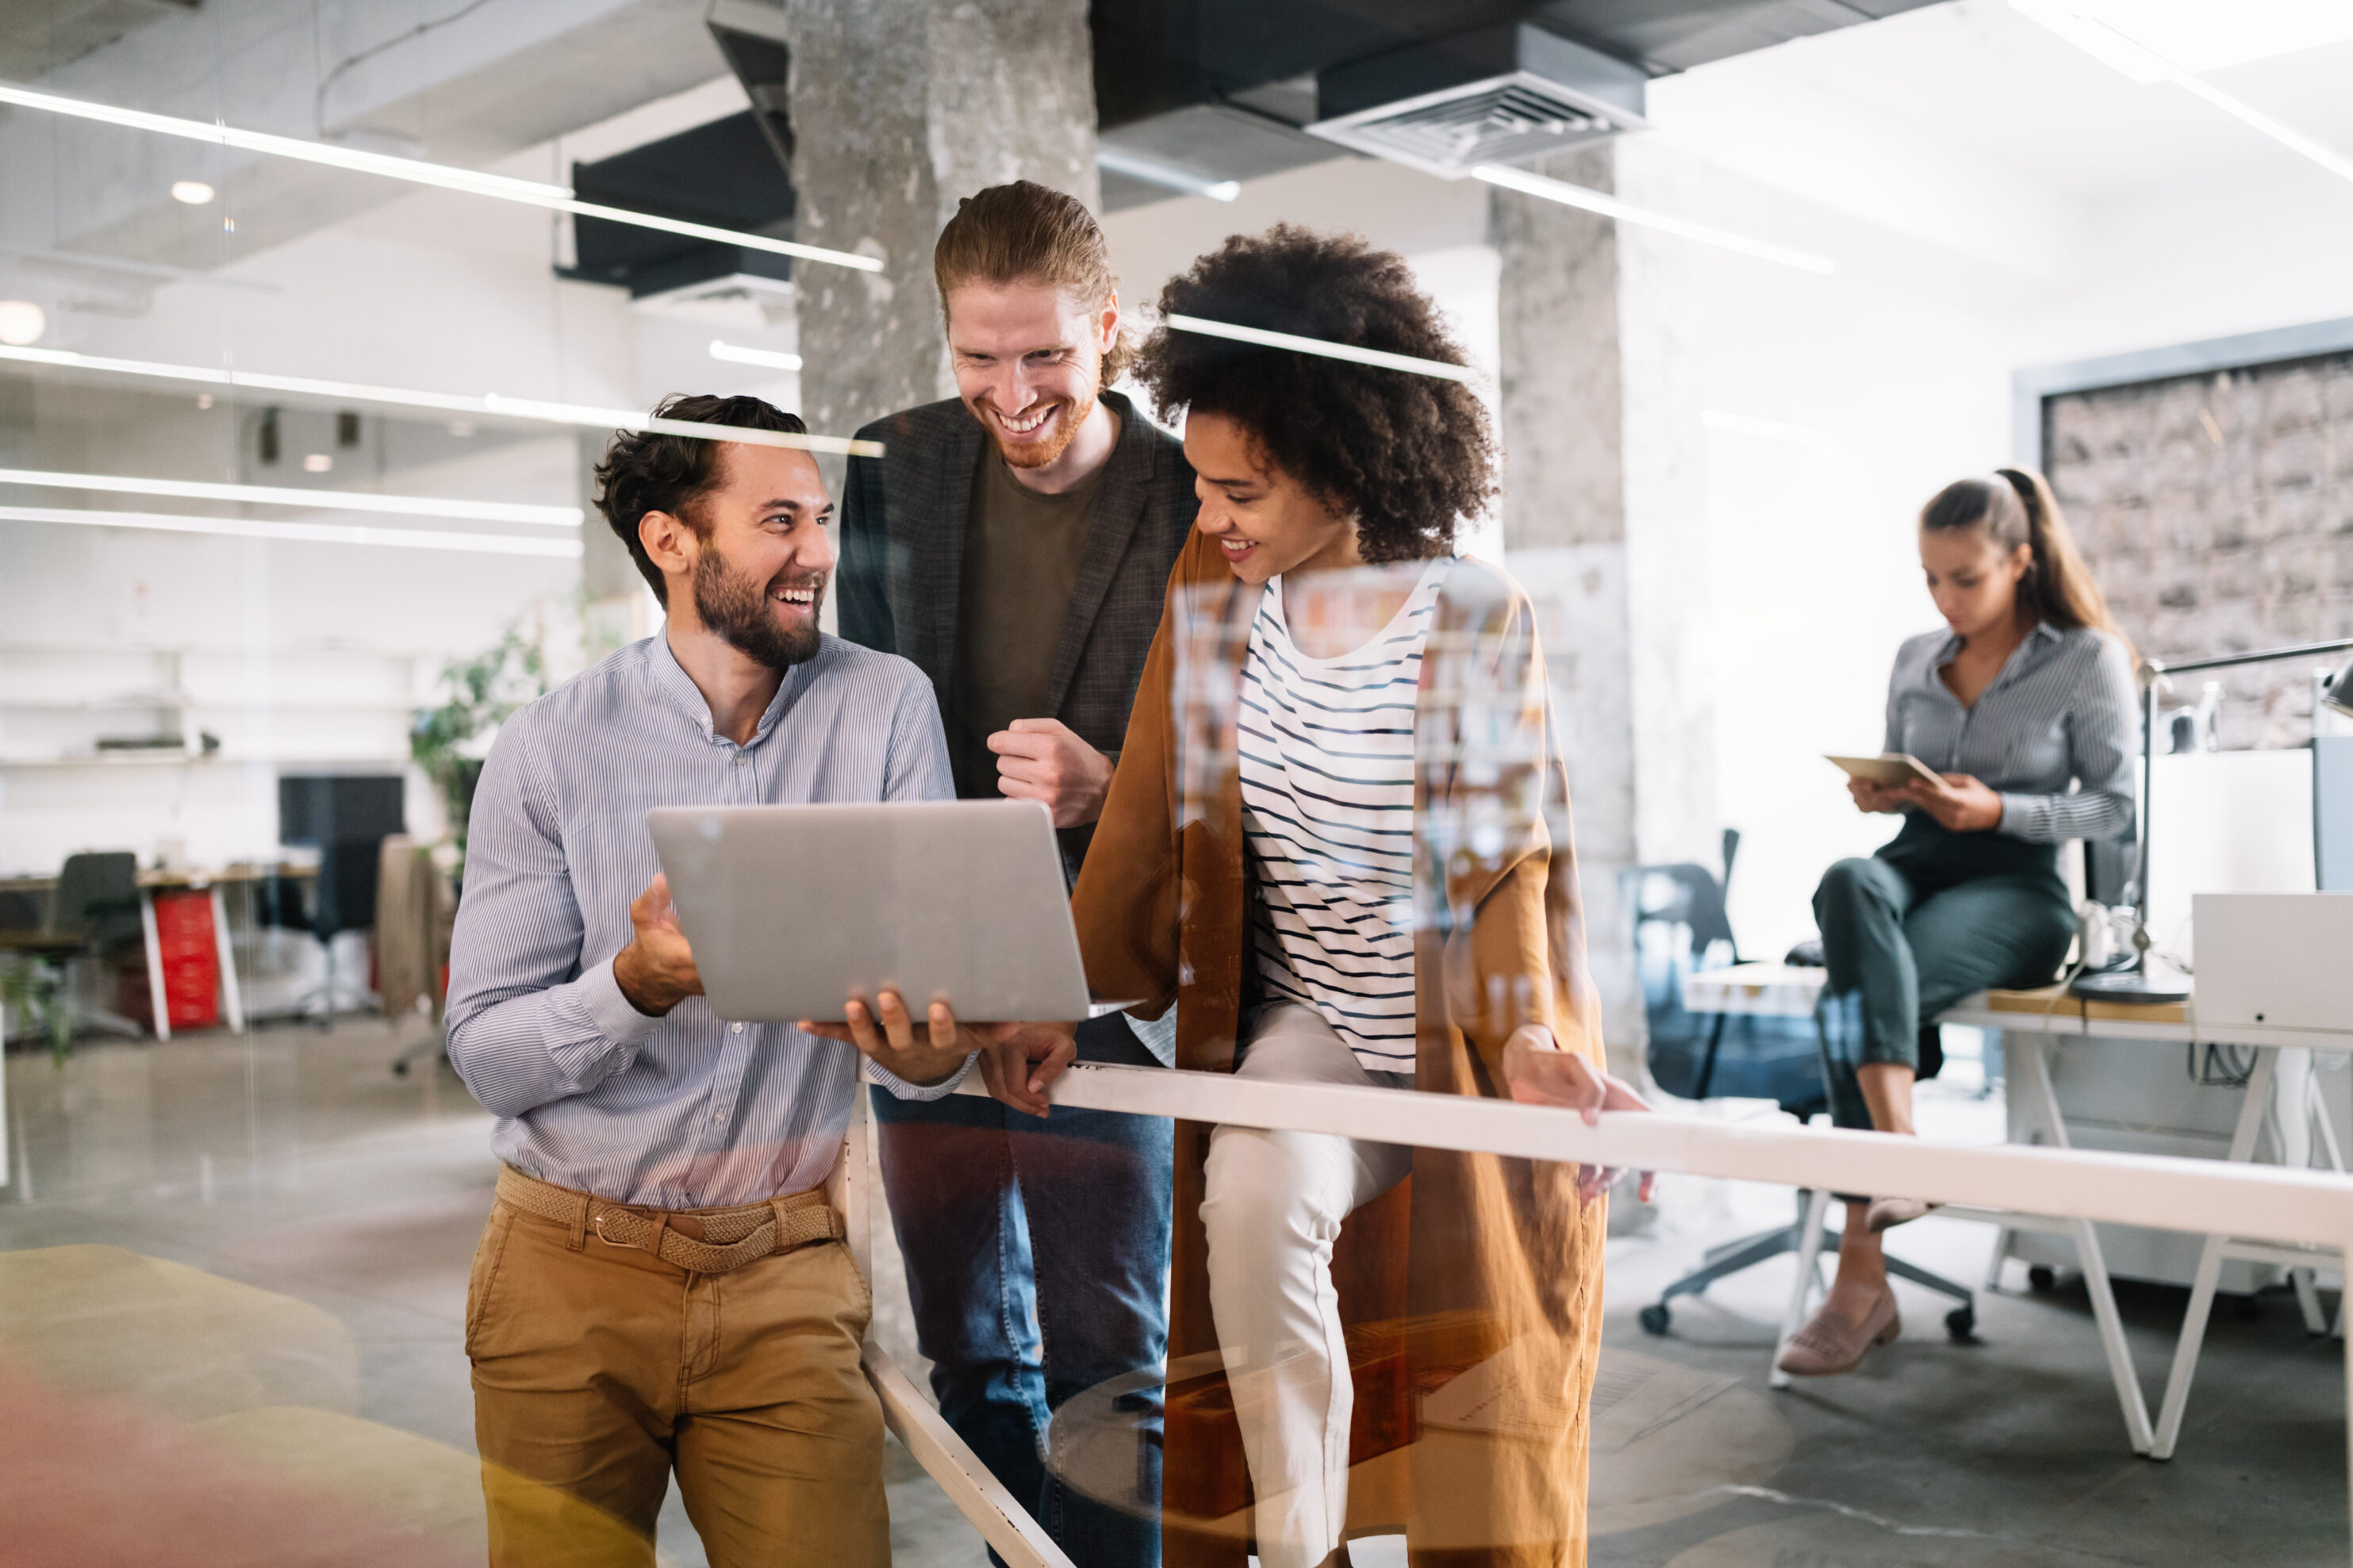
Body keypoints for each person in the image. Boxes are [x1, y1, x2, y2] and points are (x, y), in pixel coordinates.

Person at [988, 226, 1645, 1568]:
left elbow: (1507, 859)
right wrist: (1058, 991)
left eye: (1244, 491)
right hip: (1316, 1024)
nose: (1213, 516)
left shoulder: (1469, 610)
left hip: (1451, 1038)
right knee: (1249, 1200)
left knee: (1487, 1379)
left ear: (1345, 469)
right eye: (1203, 483)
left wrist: (1535, 1043)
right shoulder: (1214, 595)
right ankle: (1298, 1550)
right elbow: (1149, 825)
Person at [444, 393, 995, 1568]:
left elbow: (931, 1041)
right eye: (779, 521)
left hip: (784, 1272)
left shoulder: (887, 705)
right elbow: (485, 1051)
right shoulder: (550, 748)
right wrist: (635, 982)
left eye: (824, 519)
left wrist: (924, 1041)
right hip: (567, 1271)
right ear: (672, 542)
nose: (817, 555)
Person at [835, 180, 1196, 1566]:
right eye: (979, 356)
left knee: (1109, 1352)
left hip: (1103, 969)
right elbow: (847, 705)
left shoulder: (1185, 492)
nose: (1013, 390)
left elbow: (1240, 751)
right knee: (964, 1343)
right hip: (931, 961)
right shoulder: (892, 464)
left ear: (1107, 326)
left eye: (1044, 353)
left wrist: (1114, 784)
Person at [1779, 467, 2137, 1378]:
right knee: (1844, 882)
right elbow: (1897, 788)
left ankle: (1858, 1280)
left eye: (1963, 579)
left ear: (2019, 562)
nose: (1944, 599)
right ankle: (1902, 1153)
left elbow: (2115, 808)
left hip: (2016, 887)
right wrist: (1879, 793)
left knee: (1848, 995)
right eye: (1929, 579)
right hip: (1913, 862)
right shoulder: (1912, 657)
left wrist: (2003, 813)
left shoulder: (2083, 658)